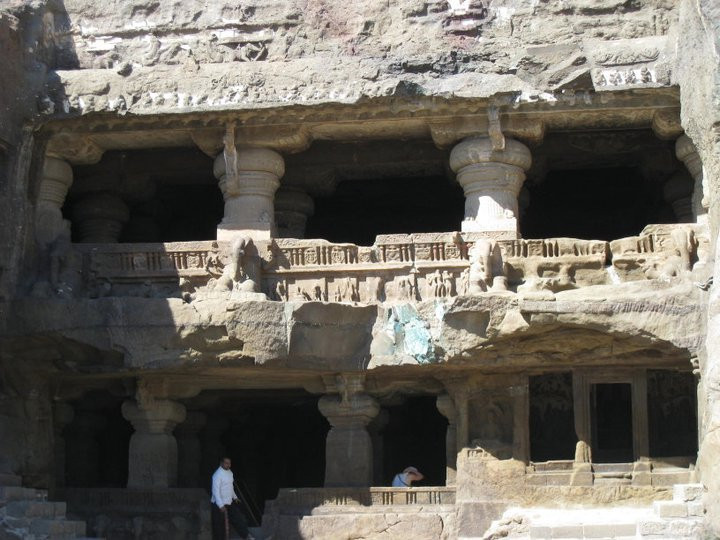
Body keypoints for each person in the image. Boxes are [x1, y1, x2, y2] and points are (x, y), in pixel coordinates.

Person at [211, 457, 252, 540]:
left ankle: (247, 536)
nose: (228, 465)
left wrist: (235, 497)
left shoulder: (230, 473)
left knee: (237, 518)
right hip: (218, 504)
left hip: (229, 502)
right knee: (219, 526)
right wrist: (220, 505)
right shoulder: (217, 475)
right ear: (221, 463)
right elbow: (215, 491)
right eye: (226, 463)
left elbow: (230, 487)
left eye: (229, 463)